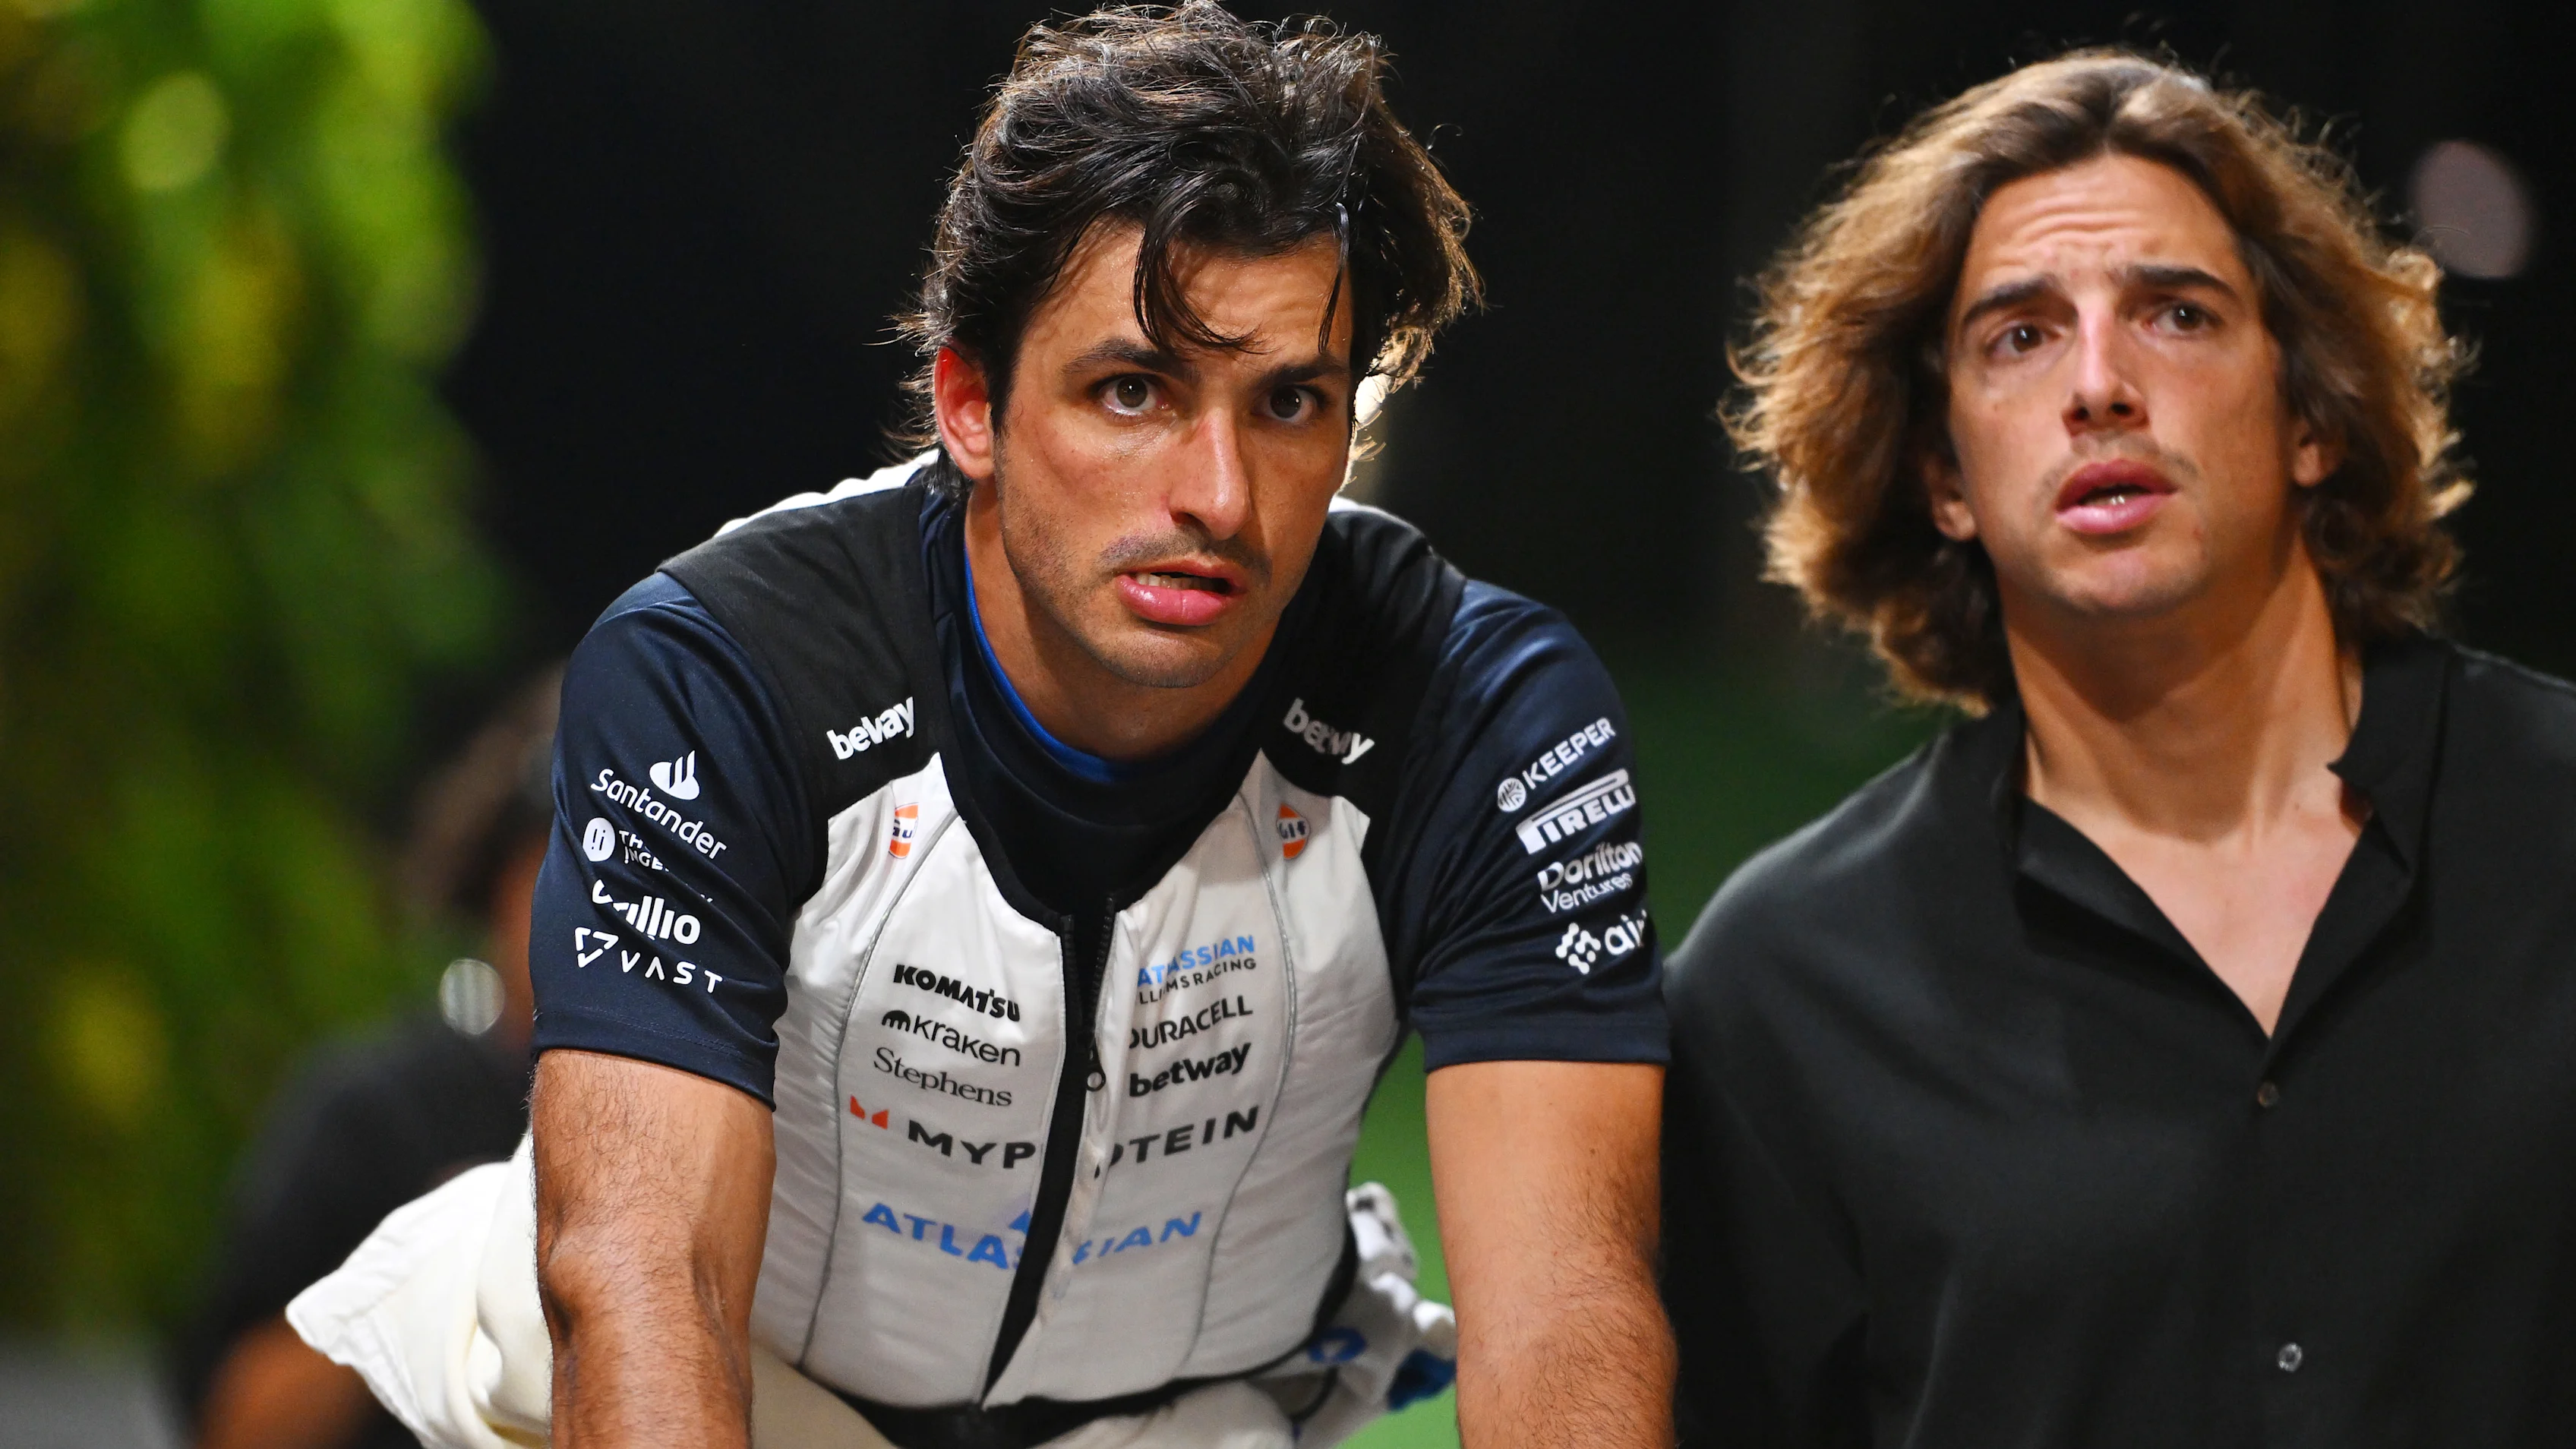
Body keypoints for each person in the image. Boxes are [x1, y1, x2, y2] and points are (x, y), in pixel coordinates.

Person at [294, 7, 1673, 1447]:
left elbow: (1568, 1301)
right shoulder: (720, 671)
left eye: (1287, 402)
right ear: (969, 403)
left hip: (1189, 1414)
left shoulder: (1486, 708)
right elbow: (643, 1270)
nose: (1217, 490)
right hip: (746, 1398)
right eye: (1131, 388)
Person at [1659, 47, 2576, 1444]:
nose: (2098, 382)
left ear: (2311, 415)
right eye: (2018, 335)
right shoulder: (1779, 993)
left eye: (2176, 315)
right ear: (1942, 476)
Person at [177, 671, 558, 1449]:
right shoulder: (378, 1107)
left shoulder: (735, 1113)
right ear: (499, 880)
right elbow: (233, 1424)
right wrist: (416, 1273)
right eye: (565, 868)